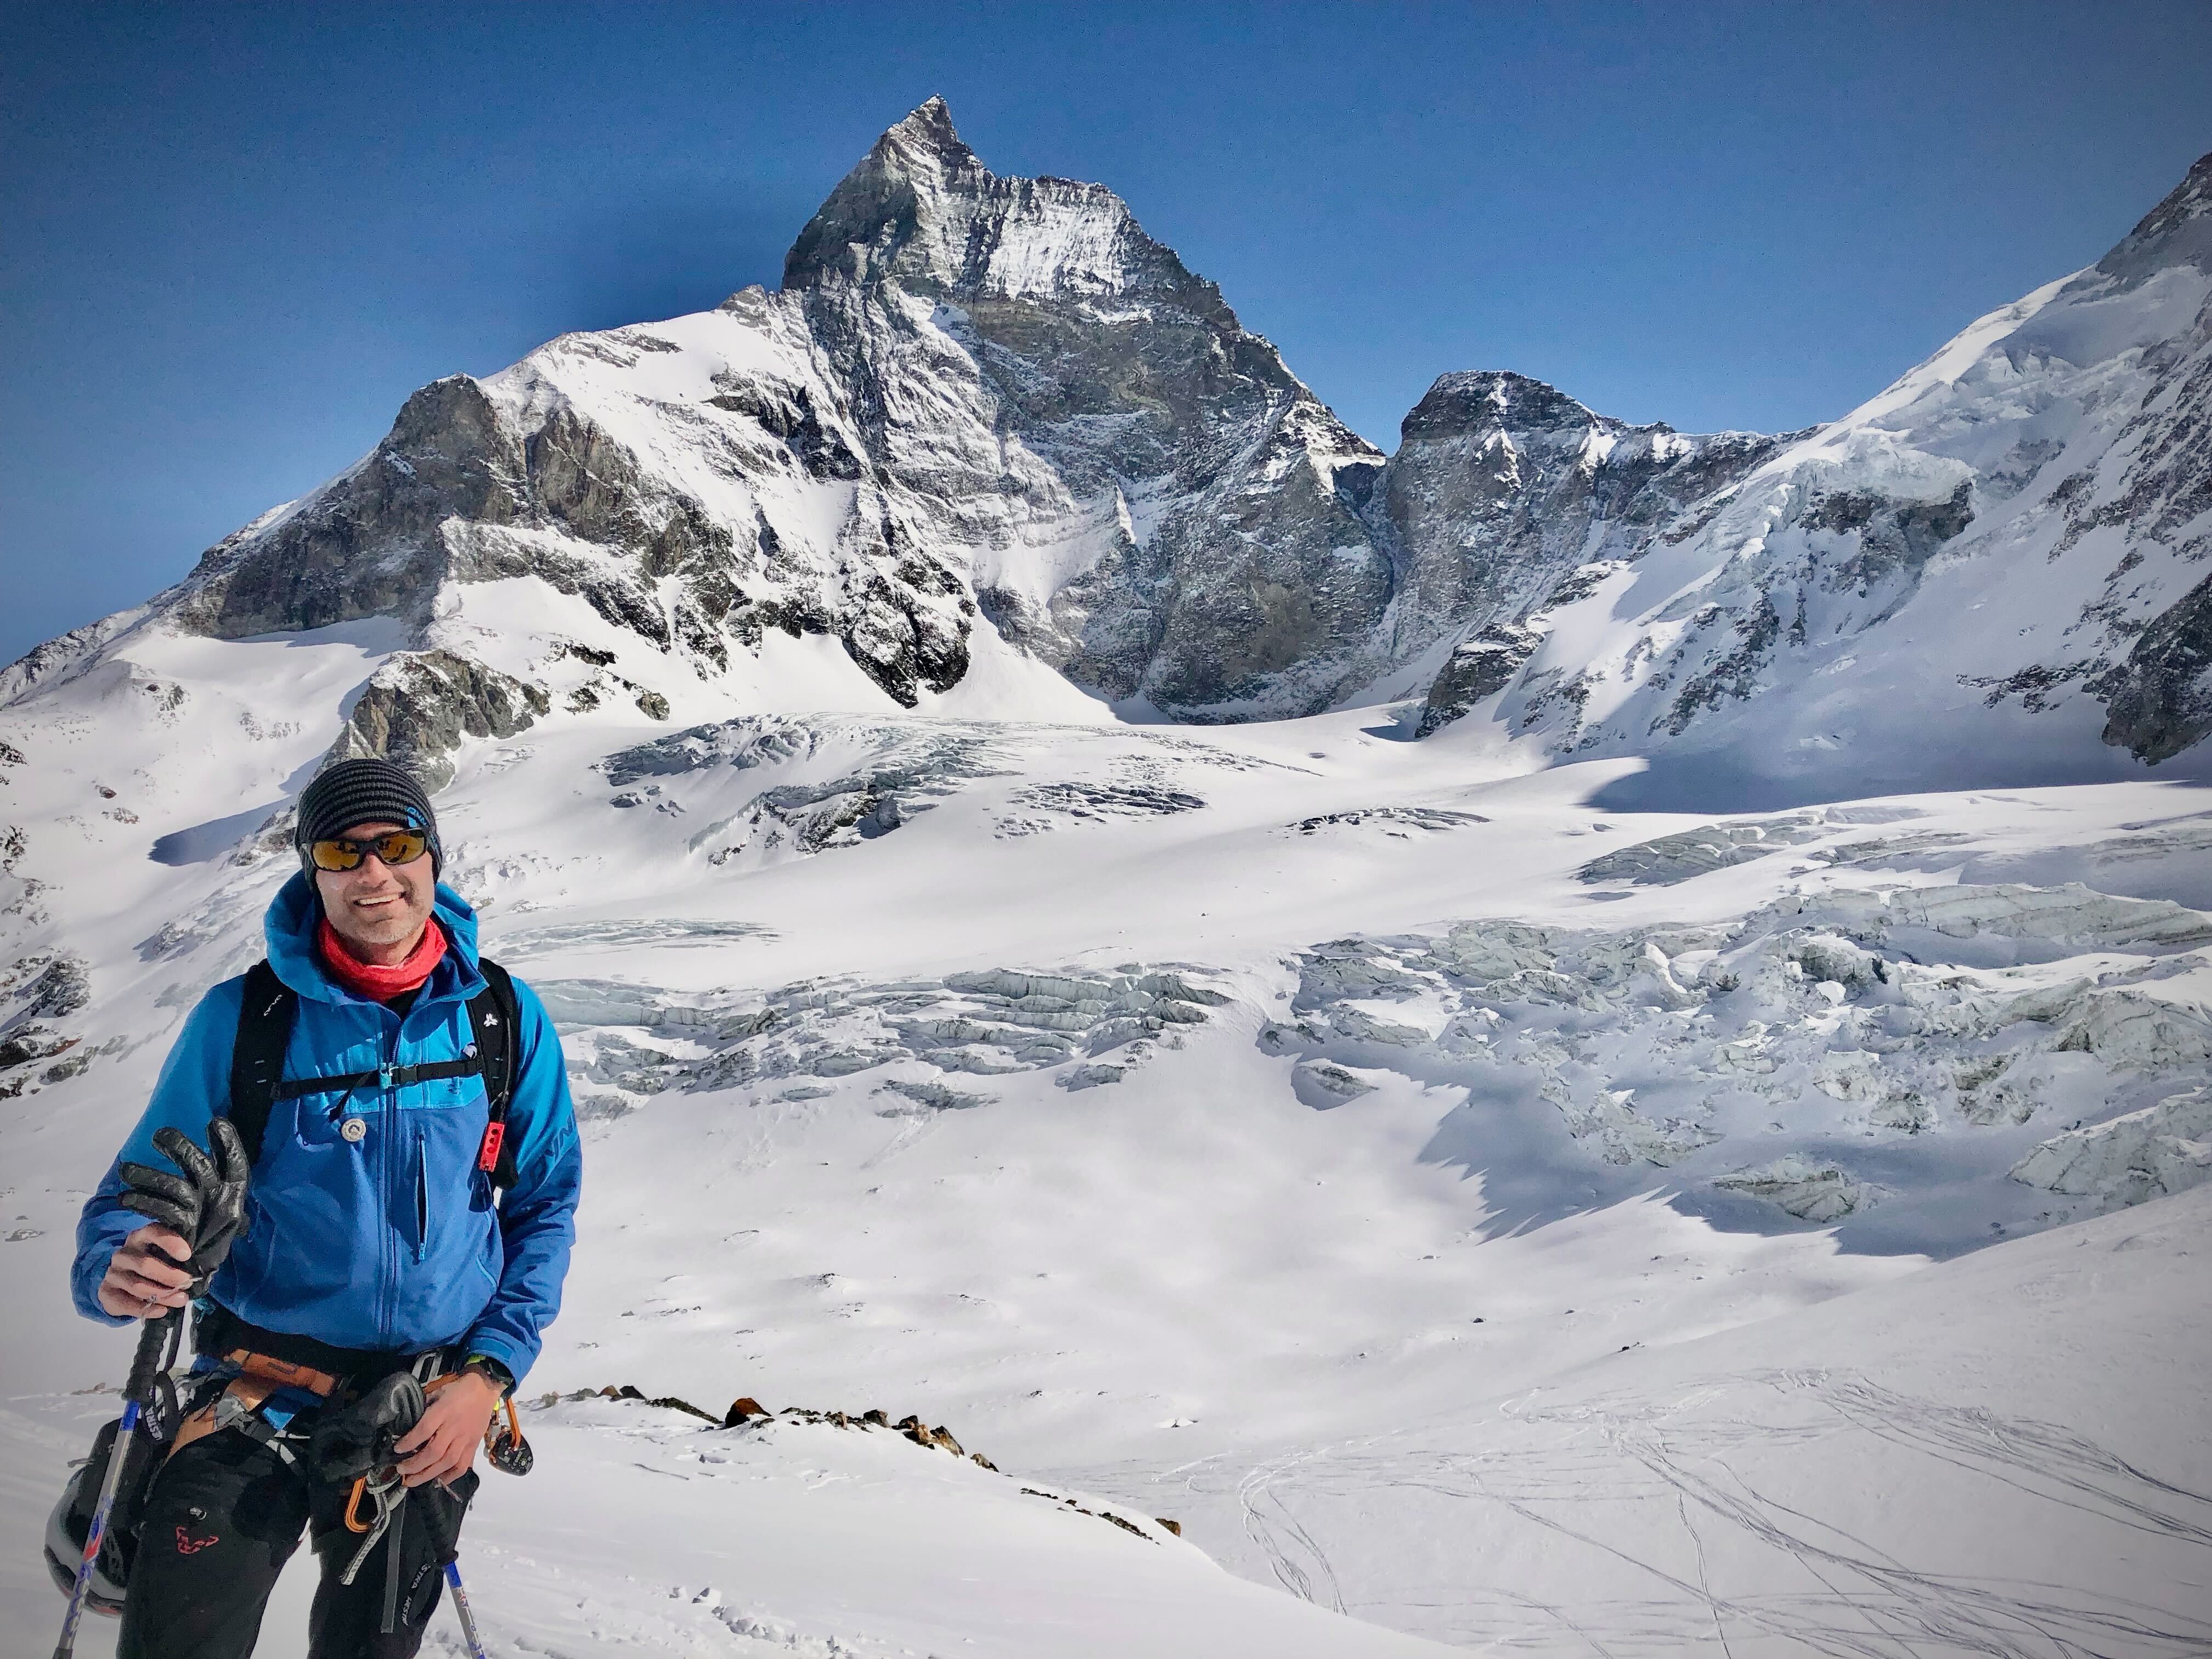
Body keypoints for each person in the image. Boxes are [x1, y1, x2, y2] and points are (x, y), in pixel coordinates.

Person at [70, 756, 583, 1658]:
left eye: (398, 844)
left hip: (424, 1415)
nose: (374, 874)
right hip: (248, 1402)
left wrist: (486, 1378)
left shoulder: (503, 1017)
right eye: (343, 853)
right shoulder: (246, 1020)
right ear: (312, 869)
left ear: (434, 856)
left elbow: (542, 1206)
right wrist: (119, 1262)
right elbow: (132, 1198)